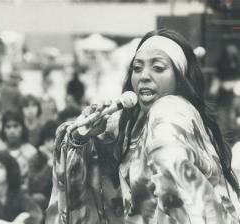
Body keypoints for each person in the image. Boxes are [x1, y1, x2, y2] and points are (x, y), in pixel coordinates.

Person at [46, 29, 240, 224]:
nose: (143, 76)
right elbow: (92, 171)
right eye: (137, 68)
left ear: (180, 77)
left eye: (157, 67)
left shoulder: (172, 109)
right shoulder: (129, 124)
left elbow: (173, 165)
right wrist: (83, 137)